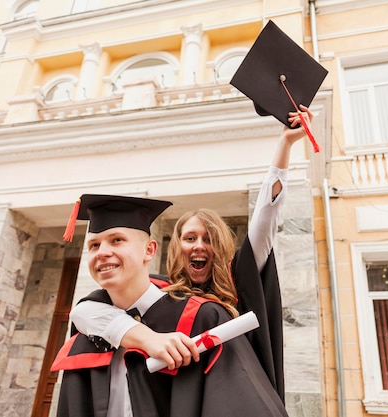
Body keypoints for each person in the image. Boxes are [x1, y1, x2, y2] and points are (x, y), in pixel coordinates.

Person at [69, 105, 313, 402]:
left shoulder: (239, 283)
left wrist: (284, 146)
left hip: (236, 389)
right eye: (189, 238)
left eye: (208, 239)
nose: (198, 245)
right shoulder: (160, 293)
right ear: (175, 247)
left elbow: (265, 222)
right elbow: (83, 311)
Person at [52, 194, 289, 417]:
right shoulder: (89, 333)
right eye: (94, 245)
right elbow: (82, 311)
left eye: (117, 240)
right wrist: (148, 338)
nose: (103, 252)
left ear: (149, 250)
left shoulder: (204, 316)